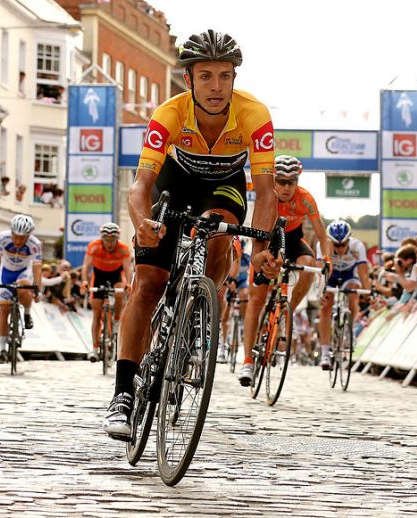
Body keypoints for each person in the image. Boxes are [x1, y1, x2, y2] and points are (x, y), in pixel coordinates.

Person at [103, 30, 279, 440]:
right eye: (206, 76)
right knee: (148, 284)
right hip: (173, 183)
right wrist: (142, 222)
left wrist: (261, 247)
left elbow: (267, 190)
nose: (216, 87)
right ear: (189, 79)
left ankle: (200, 304)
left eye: (224, 76)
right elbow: (140, 185)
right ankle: (123, 395)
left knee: (219, 229)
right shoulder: (169, 112)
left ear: (235, 78)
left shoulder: (254, 114)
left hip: (224, 185)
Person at [237, 155, 332, 385]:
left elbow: (321, 235)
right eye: (281, 181)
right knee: (256, 299)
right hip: (266, 241)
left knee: (309, 265)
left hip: (293, 239)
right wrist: (263, 260)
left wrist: (327, 258)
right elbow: (256, 242)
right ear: (274, 180)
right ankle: (248, 361)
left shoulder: (306, 199)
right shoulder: (266, 198)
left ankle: (288, 308)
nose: (287, 187)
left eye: (292, 181)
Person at [0, 215, 43, 363]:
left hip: (24, 271)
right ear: (11, 232)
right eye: (16, 237)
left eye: (22, 238)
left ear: (29, 236)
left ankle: (27, 313)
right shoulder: (3, 238)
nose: (18, 241)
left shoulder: (35, 244)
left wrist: (37, 288)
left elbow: (37, 268)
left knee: (25, 285)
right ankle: (2, 349)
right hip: (6, 272)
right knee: (4, 310)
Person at [317, 220, 371, 369]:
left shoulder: (357, 246)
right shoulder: (322, 246)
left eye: (343, 245)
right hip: (330, 274)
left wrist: (369, 294)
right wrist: (320, 291)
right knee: (326, 306)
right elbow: (320, 273)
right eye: (336, 245)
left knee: (353, 292)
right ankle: (325, 353)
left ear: (349, 240)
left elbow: (363, 273)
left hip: (349, 274)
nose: (340, 249)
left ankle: (350, 329)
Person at [80, 223, 132, 361]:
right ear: (102, 238)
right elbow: (86, 266)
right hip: (99, 276)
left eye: (112, 240)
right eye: (106, 240)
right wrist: (84, 282)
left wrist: (129, 284)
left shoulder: (123, 249)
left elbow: (128, 269)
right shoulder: (94, 246)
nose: (109, 243)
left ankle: (116, 320)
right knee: (96, 314)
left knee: (120, 291)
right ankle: (95, 349)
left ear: (117, 239)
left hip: (116, 275)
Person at [217, 236, 250, 363]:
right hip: (226, 275)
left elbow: (237, 262)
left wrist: (233, 280)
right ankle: (222, 344)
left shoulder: (241, 249)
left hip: (239, 279)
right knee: (225, 316)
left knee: (245, 294)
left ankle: (242, 322)